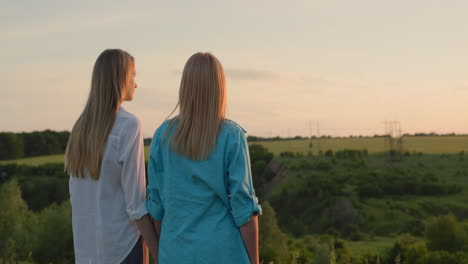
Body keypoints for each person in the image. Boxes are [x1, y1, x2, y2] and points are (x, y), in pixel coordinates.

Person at [146, 52, 261, 264]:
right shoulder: (231, 136)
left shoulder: (162, 136)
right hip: (224, 253)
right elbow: (244, 209)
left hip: (175, 252)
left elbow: (156, 207)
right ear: (219, 88)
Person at [65, 49, 158, 264]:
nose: (136, 83)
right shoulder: (129, 125)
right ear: (120, 78)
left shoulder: (80, 127)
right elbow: (136, 204)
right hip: (122, 248)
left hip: (87, 251)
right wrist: (159, 251)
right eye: (133, 75)